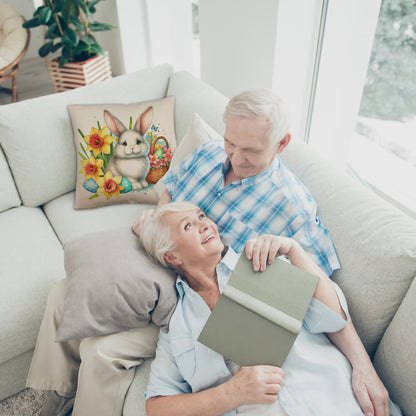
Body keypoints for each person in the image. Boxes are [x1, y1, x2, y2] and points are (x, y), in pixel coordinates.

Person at [133, 89, 389, 414]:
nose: (236, 158)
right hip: (169, 288)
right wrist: (158, 225)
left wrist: (363, 366)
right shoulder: (209, 154)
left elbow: (322, 301)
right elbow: (171, 189)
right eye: (231, 143)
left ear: (281, 144)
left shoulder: (288, 217)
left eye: (250, 150)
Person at [140, 201, 398, 416]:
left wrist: (294, 250)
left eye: (202, 216)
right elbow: (157, 407)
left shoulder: (261, 261)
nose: (205, 224)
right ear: (172, 257)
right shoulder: (177, 326)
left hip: (338, 401)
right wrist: (231, 393)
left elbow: (333, 318)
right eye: (188, 226)